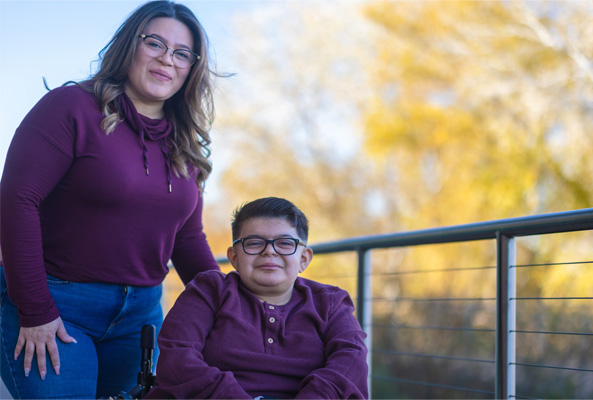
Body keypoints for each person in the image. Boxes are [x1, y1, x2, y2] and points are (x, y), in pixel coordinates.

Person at [0, 1, 221, 398]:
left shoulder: (184, 141)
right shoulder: (71, 108)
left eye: (181, 53)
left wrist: (233, 309)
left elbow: (187, 240)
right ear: (128, 46)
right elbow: (17, 201)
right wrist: (35, 310)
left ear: (192, 67)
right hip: (56, 305)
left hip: (141, 319)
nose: (166, 59)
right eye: (154, 43)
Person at [146, 197, 369, 399]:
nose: (269, 252)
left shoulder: (330, 303)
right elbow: (177, 358)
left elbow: (350, 362)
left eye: (284, 243)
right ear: (234, 257)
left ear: (304, 258)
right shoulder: (209, 291)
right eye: (254, 243)